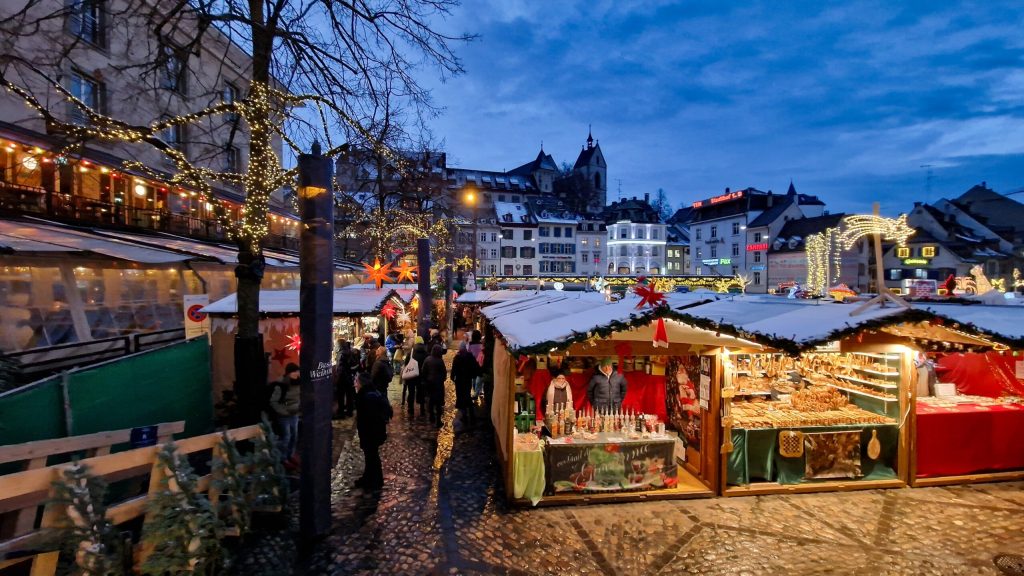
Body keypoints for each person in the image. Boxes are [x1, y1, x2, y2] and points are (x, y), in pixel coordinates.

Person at [354, 372, 392, 490]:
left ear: (361, 383)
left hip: (371, 433)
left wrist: (367, 434)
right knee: (370, 456)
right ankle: (369, 478)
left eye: (356, 381)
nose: (354, 384)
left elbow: (370, 418)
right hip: (372, 432)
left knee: (372, 456)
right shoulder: (370, 393)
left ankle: (375, 481)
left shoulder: (367, 396)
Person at [270, 363, 302, 466]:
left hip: (295, 414)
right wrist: (284, 412)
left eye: (297, 371)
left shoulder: (300, 382)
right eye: (294, 372)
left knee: (294, 436)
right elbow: (273, 402)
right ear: (289, 373)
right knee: (286, 437)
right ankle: (283, 458)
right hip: (284, 416)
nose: (297, 374)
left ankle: (290, 455)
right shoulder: (281, 385)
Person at [451, 341, 481, 429]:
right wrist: (473, 375)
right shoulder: (469, 356)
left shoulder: (457, 357)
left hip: (459, 381)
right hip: (467, 380)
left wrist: (453, 377)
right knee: (467, 395)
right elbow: (474, 367)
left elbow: (454, 369)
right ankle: (471, 414)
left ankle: (464, 415)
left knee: (460, 396)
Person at [422, 344, 448, 428]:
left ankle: (431, 416)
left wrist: (425, 380)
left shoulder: (427, 359)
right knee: (438, 403)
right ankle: (438, 420)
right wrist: (443, 379)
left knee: (431, 400)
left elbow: (423, 371)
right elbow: (444, 372)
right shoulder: (440, 361)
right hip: (438, 384)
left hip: (429, 383)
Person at [404, 336, 428, 416]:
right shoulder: (426, 353)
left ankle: (411, 409)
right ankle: (422, 409)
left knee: (411, 392)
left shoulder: (411, 352)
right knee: (421, 391)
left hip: (412, 375)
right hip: (421, 376)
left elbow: (406, 363)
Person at [335, 340, 356, 419]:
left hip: (342, 378)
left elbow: (340, 368)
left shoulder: (340, 354)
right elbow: (353, 364)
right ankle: (349, 411)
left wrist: (338, 378)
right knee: (349, 395)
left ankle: (341, 412)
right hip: (349, 377)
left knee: (341, 395)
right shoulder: (349, 351)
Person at [468, 329, 485, 399]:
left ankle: (476, 391)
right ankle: (478, 391)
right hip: (480, 362)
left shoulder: (470, 344)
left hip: (472, 362)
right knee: (479, 376)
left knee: (473, 377)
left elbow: (468, 352)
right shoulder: (481, 344)